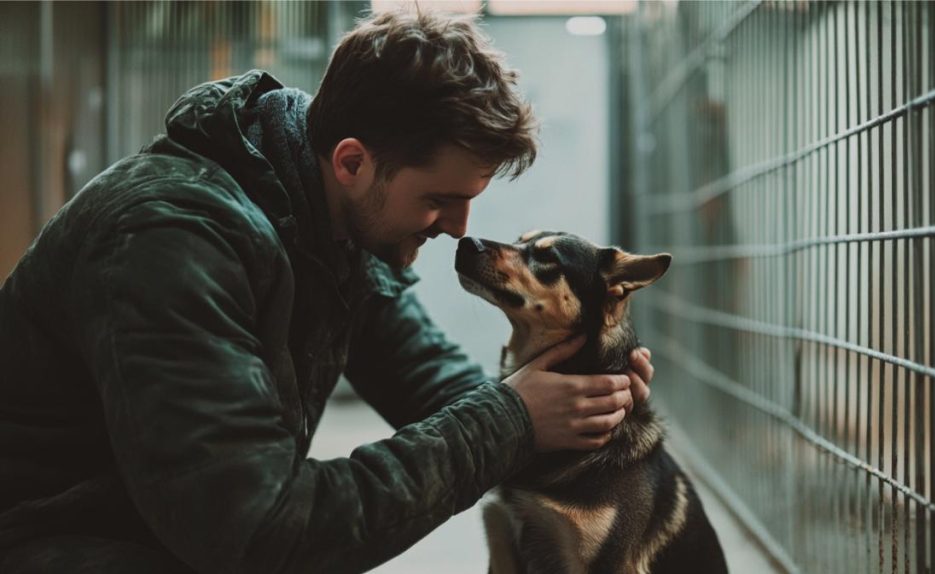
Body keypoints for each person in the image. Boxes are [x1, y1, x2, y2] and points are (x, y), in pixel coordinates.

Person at [0, 8, 655, 573]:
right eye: (440, 200)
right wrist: (513, 419)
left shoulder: (329, 228)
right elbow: (259, 531)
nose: (459, 230)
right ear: (351, 161)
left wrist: (573, 398)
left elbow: (426, 375)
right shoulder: (171, 238)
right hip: (62, 548)